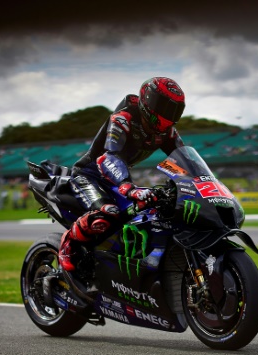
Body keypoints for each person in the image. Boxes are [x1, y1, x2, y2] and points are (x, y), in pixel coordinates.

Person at [58, 76, 186, 272]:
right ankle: (69, 243)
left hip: (118, 178)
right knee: (107, 213)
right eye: (165, 108)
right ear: (148, 101)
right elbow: (109, 157)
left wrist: (199, 182)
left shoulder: (167, 132)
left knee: (148, 212)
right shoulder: (122, 119)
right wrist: (128, 186)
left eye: (175, 110)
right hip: (89, 175)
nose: (170, 115)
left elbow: (183, 160)